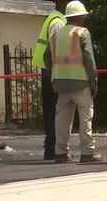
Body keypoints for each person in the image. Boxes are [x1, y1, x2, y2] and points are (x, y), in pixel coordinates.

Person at [50, 1, 102, 163]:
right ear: (78, 17)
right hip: (80, 81)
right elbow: (89, 60)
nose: (85, 18)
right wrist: (94, 82)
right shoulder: (82, 32)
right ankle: (87, 152)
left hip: (60, 81)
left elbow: (47, 57)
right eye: (84, 16)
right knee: (85, 117)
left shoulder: (56, 34)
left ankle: (60, 152)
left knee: (62, 118)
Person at [32, 0, 69, 160]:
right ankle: (52, 149)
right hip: (52, 71)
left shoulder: (53, 18)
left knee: (51, 111)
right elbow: (56, 51)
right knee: (55, 111)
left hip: (47, 70)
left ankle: (50, 148)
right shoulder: (58, 22)